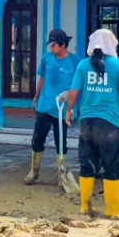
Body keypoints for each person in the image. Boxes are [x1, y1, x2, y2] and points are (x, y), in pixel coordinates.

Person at [65, 28, 119, 218]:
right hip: (109, 124)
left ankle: (85, 207)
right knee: (113, 165)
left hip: (87, 123)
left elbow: (73, 92)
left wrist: (69, 110)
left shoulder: (83, 65)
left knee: (87, 164)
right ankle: (114, 209)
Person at [27, 28, 79, 185]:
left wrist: (72, 107)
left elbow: (77, 87)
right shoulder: (47, 58)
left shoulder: (75, 62)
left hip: (62, 109)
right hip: (45, 105)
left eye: (53, 45)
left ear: (63, 45)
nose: (51, 48)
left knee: (60, 142)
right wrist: (36, 97)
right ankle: (34, 170)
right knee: (37, 139)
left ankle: (60, 173)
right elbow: (42, 78)